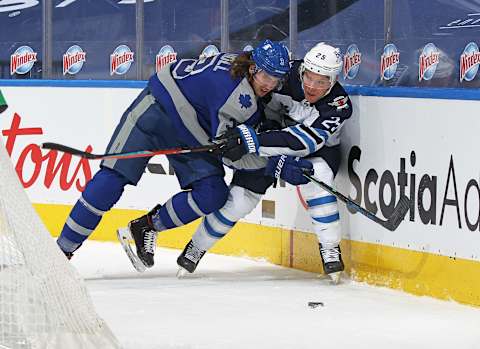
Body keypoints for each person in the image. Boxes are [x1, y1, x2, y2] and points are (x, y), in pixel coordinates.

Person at [56, 40, 296, 267]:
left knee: (212, 194)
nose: (269, 84)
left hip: (192, 130)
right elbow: (229, 154)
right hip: (156, 112)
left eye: (276, 79)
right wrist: (272, 165)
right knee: (110, 182)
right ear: (253, 69)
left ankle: (146, 226)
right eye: (266, 76)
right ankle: (61, 252)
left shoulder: (240, 64)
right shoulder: (235, 97)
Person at [175, 42, 353, 283]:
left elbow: (306, 143)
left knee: (318, 180)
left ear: (332, 81)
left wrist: (252, 140)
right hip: (268, 142)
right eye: (309, 78)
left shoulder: (338, 104)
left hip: (314, 151)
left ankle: (330, 249)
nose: (312, 86)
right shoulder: (284, 74)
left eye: (321, 82)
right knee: (239, 201)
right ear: (301, 71)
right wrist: (245, 134)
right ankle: (195, 248)